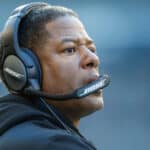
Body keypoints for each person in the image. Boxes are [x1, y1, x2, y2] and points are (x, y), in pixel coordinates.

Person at [0, 2, 109, 150]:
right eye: (70, 50)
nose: (93, 59)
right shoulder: (56, 145)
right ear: (24, 69)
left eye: (91, 49)